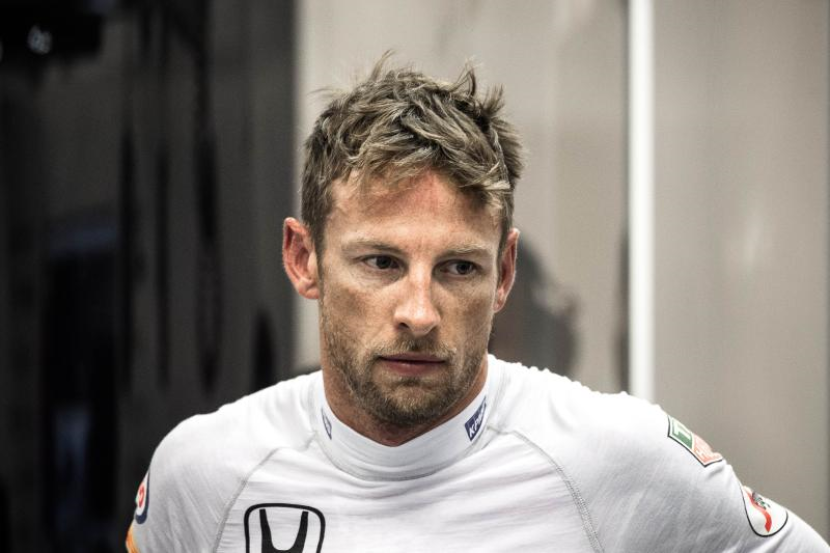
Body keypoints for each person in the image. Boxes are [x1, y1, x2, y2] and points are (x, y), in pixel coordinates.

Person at [125, 57, 830, 553]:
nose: (420, 312)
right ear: (304, 258)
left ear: (504, 273)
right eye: (381, 262)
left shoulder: (617, 460)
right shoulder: (204, 475)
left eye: (458, 267)